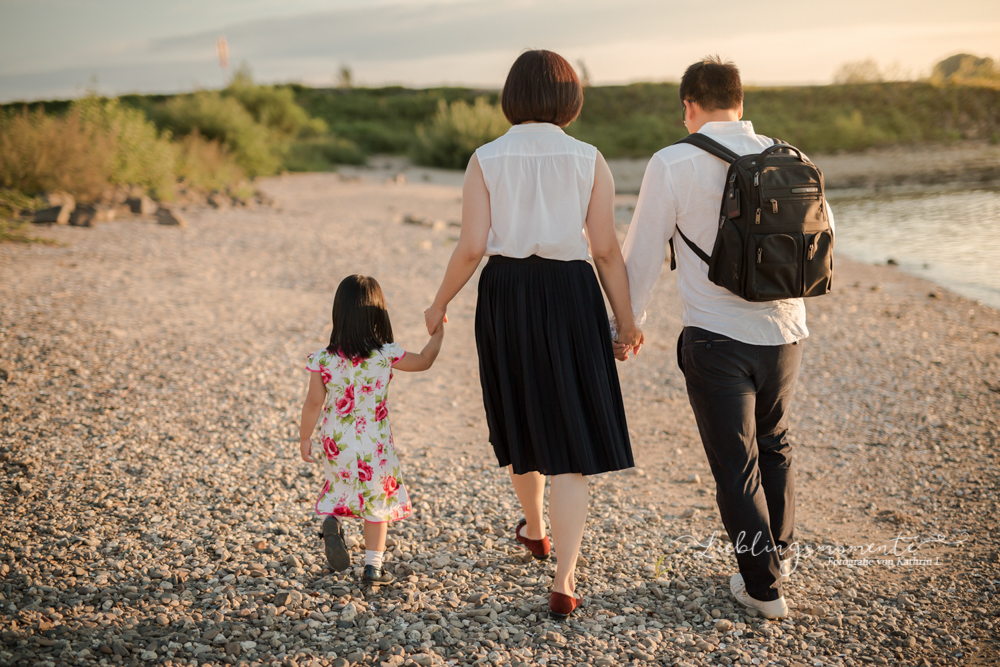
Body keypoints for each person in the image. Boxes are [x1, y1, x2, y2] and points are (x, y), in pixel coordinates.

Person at [424, 49, 643, 620]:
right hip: (571, 292)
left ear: (511, 96)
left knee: (521, 415)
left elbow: (472, 245)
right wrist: (626, 319)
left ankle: (536, 529)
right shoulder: (589, 158)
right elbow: (604, 249)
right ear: (570, 99)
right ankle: (564, 578)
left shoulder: (485, 157)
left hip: (507, 292)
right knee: (570, 438)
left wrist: (439, 301)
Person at [620, 56, 834, 619]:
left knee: (736, 466)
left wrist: (627, 323)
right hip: (786, 332)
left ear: (689, 105)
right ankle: (779, 559)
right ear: (741, 102)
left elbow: (641, 252)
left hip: (716, 336)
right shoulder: (792, 158)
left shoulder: (672, 162)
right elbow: (822, 233)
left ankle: (763, 589)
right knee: (776, 444)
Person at [299, 274, 444, 586]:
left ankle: (333, 521)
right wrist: (438, 333)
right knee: (376, 504)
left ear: (338, 313)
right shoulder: (385, 354)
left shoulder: (324, 359)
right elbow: (425, 361)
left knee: (341, 487)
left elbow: (313, 403)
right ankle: (373, 569)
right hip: (374, 443)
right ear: (379, 313)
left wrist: (304, 437)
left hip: (336, 441)